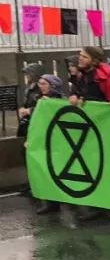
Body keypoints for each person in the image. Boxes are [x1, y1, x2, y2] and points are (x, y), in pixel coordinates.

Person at [28, 75, 66, 214]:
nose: (41, 86)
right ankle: (51, 202)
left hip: (56, 141)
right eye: (40, 84)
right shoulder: (40, 99)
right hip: (44, 140)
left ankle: (56, 201)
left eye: (44, 84)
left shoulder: (58, 100)